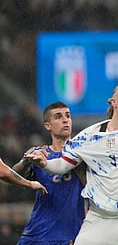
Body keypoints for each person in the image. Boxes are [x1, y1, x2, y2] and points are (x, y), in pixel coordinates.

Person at [27, 83, 118, 245]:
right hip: (97, 220)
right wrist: (44, 163)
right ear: (113, 102)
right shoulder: (90, 136)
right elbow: (61, 166)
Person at [13, 101, 85, 245]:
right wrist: (27, 161)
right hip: (36, 233)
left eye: (68, 116)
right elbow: (12, 176)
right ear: (48, 125)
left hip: (68, 235)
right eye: (58, 117)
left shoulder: (83, 154)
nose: (65, 120)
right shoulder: (40, 154)